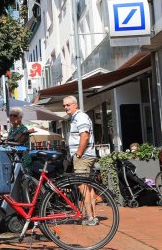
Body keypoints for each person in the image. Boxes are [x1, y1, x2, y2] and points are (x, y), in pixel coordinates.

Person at [63, 95, 98, 226]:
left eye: (68, 105)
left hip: (83, 157)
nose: (66, 107)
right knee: (88, 187)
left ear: (75, 105)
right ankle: (93, 216)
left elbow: (84, 136)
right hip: (86, 156)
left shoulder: (80, 117)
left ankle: (90, 218)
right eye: (64, 105)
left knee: (82, 186)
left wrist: (78, 153)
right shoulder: (77, 117)